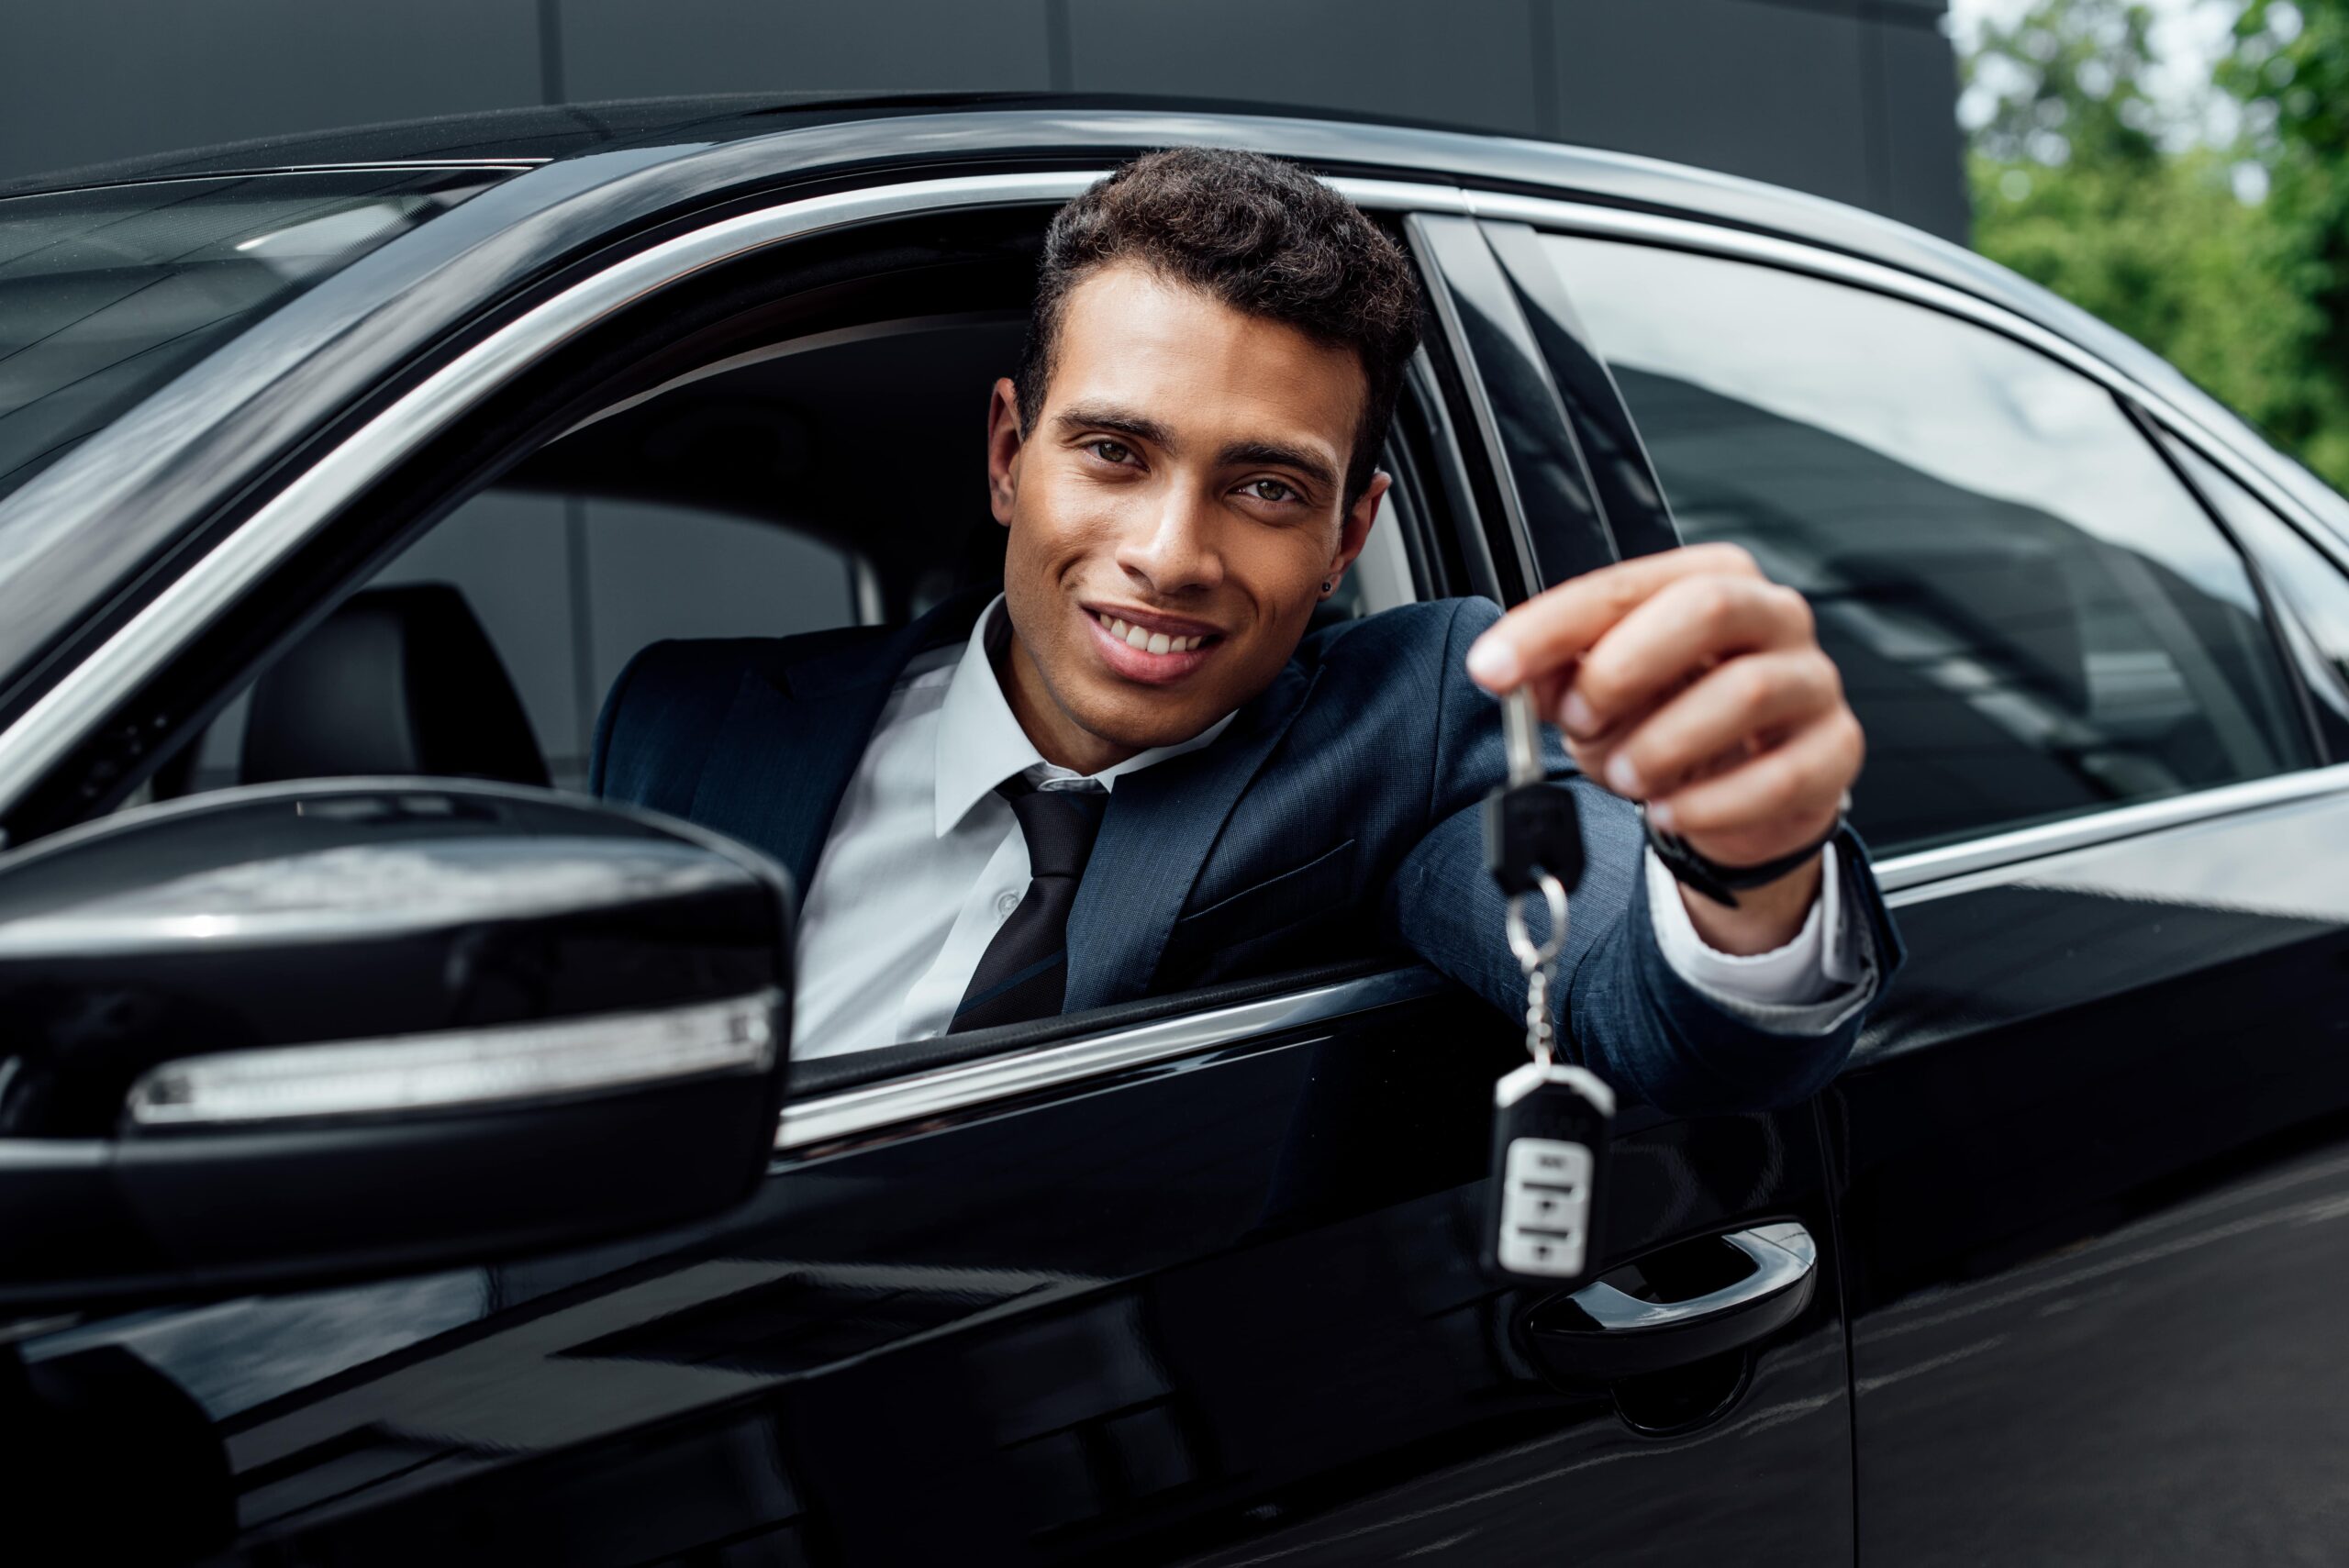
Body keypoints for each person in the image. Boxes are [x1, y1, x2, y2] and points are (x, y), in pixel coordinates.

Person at [593, 148, 1898, 1114]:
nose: (1169, 555)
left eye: (1267, 487)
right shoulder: (688, 725)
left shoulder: (1415, 727)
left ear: (1346, 537)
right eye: (1113, 452)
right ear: (1008, 455)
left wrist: (1748, 863)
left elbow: (1664, 1022)